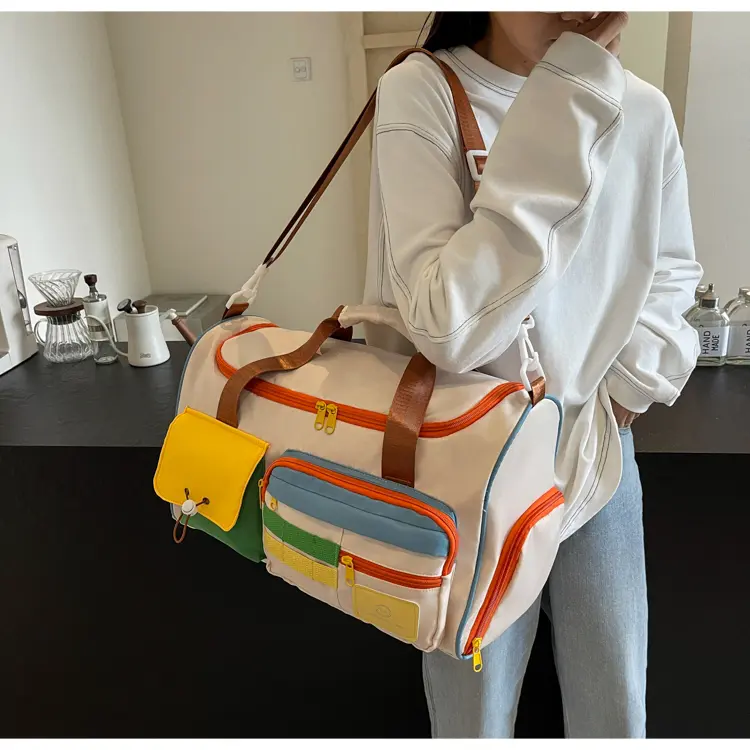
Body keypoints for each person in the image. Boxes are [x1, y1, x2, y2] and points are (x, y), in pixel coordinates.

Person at [362, 11, 702, 739]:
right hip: (465, 459)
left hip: (596, 445)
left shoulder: (643, 110)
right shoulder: (425, 88)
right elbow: (448, 325)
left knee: (615, 710)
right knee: (472, 716)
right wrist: (564, 98)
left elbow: (672, 270)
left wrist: (627, 390)